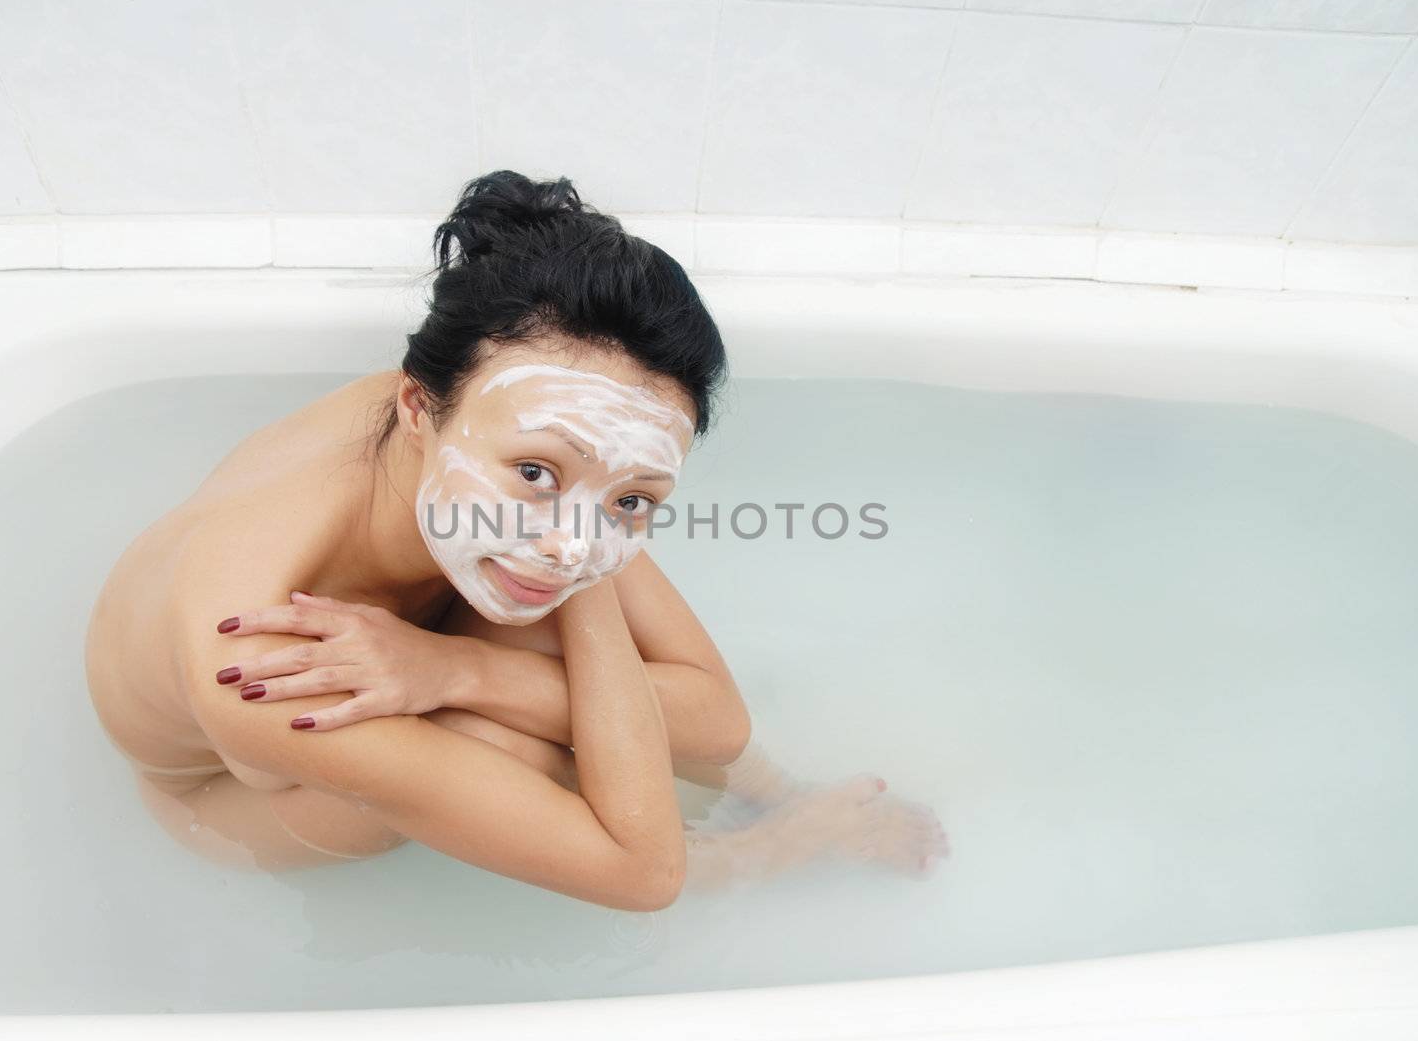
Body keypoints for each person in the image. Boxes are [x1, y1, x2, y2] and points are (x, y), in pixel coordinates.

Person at [85, 170, 947, 911]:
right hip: (225, 797)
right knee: (514, 741)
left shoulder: (513, 431)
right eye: (536, 472)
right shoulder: (252, 648)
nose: (573, 544)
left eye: (635, 497)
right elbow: (642, 873)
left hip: (414, 629)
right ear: (419, 406)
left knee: (555, 618)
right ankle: (766, 851)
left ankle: (779, 802)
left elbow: (715, 721)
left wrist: (454, 667)